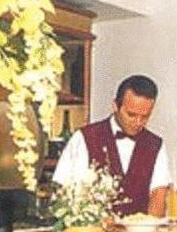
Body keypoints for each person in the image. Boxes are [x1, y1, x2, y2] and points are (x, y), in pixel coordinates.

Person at [53, 75, 170, 217]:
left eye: (145, 116)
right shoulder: (85, 137)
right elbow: (64, 190)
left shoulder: (155, 144)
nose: (138, 122)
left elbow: (158, 193)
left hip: (141, 230)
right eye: (131, 115)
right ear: (115, 106)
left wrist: (150, 225)